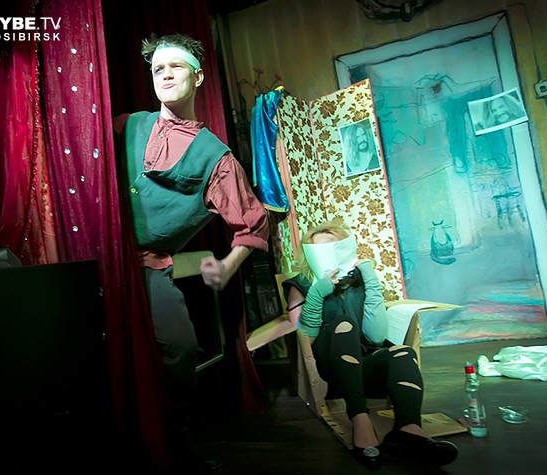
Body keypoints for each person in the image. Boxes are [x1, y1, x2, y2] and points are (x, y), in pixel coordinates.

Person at [116, 33, 269, 470]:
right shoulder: (127, 125)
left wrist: (228, 264)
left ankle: (175, 439)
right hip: (100, 258)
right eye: (157, 69)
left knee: (181, 348)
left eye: (175, 67)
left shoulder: (215, 157)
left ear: (198, 77)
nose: (165, 75)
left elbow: (253, 222)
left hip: (148, 267)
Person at [282, 218, 458, 468]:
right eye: (320, 249)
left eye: (333, 245)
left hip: (362, 371)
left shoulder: (359, 282)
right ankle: (360, 420)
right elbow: (305, 340)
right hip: (329, 372)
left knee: (402, 353)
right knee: (344, 324)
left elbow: (376, 337)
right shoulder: (301, 285)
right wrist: (318, 292)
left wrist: (370, 278)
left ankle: (408, 430)